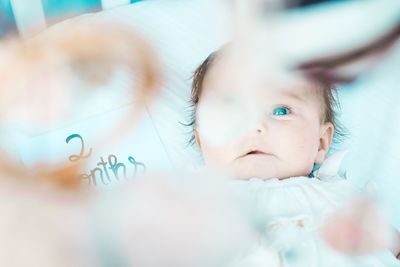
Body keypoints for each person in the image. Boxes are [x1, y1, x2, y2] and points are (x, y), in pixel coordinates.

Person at [186, 50, 400, 266]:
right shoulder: (191, 205)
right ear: (201, 141)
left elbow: (392, 246)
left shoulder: (338, 197)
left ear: (321, 143)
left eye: (280, 111)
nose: (254, 127)